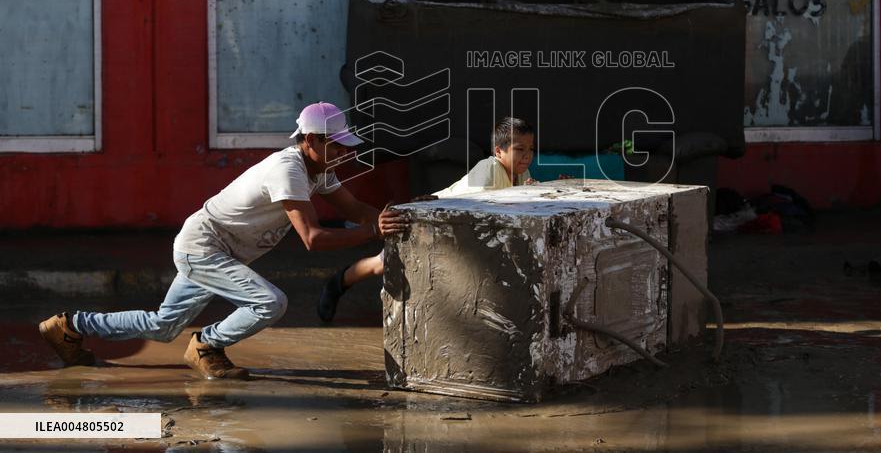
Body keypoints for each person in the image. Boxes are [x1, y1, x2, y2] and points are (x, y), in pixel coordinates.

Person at [38, 102, 408, 380]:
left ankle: (70, 326)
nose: (345, 152)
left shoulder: (318, 169)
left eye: (345, 145)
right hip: (204, 248)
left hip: (216, 248)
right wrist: (373, 231)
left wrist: (398, 215)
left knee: (163, 326)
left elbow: (357, 208)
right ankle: (207, 345)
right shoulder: (289, 170)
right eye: (337, 145)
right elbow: (312, 239)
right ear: (311, 140)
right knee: (269, 302)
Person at [316, 116, 535, 323]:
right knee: (381, 264)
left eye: (530, 150)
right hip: (428, 220)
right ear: (499, 151)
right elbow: (463, 205)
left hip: (452, 229)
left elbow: (525, 194)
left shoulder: (519, 172)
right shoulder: (489, 172)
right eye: (519, 149)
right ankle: (337, 283)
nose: (527, 155)